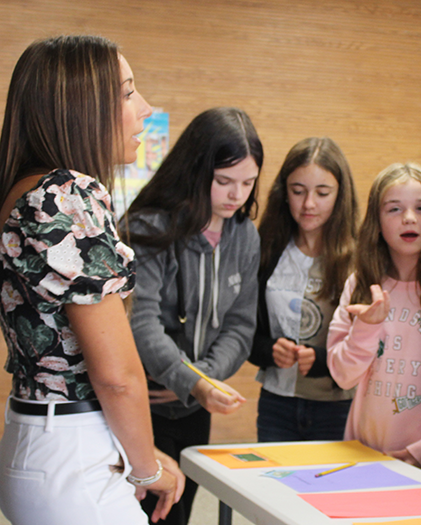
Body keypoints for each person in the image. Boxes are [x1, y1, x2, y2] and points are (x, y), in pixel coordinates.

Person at [0, 35, 184, 524]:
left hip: (35, 435)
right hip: (74, 454)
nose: (144, 109)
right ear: (80, 107)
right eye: (126, 93)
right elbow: (117, 377)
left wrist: (138, 455)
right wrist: (146, 471)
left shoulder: (24, 189)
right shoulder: (66, 195)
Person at [123, 107, 262, 524]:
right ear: (196, 170)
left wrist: (200, 380)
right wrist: (191, 380)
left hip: (194, 407)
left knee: (179, 512)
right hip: (141, 404)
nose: (236, 195)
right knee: (146, 512)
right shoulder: (149, 226)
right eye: (223, 182)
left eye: (248, 183)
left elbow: (240, 325)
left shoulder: (244, 234)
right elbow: (140, 322)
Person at [327, 163, 421, 483]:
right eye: (394, 209)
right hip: (365, 457)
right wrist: (365, 328)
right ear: (376, 221)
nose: (409, 217)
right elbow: (342, 375)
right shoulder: (360, 284)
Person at [248, 137, 358, 442]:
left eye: (322, 193)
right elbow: (244, 330)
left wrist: (324, 360)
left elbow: (371, 342)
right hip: (276, 401)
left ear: (340, 195)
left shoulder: (359, 259)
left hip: (339, 405)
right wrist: (267, 350)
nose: (309, 204)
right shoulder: (266, 250)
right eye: (298, 192)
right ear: (284, 193)